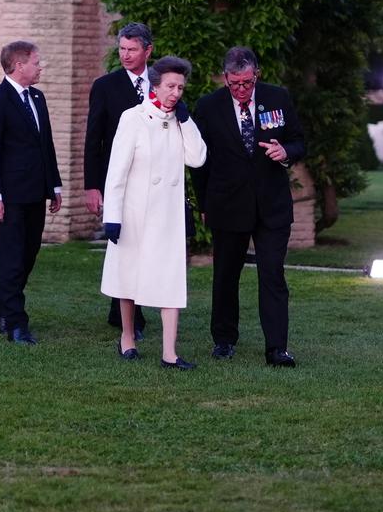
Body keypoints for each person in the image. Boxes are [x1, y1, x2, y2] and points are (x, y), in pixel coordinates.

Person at [191, 46, 305, 366]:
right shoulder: (209, 106)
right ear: (225, 78)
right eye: (235, 83)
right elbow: (200, 162)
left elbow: (299, 140)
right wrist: (204, 203)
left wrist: (287, 152)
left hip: (272, 205)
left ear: (257, 74)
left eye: (247, 82)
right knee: (226, 275)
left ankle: (276, 347)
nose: (242, 89)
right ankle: (224, 340)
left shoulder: (277, 98)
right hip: (227, 205)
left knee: (272, 274)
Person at [101, 56, 207, 368]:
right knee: (128, 277)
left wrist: (186, 122)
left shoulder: (180, 121)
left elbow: (198, 158)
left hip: (168, 217)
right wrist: (113, 216)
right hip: (135, 213)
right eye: (171, 86)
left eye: (181, 87)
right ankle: (127, 338)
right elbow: (117, 171)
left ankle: (169, 353)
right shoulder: (133, 118)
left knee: (171, 280)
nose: (176, 93)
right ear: (156, 86)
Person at [0, 40, 62, 345]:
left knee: (28, 255)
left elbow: (46, 145)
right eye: (37, 62)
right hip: (10, 196)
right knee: (12, 259)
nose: (41, 67)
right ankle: (15, 323)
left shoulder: (38, 98)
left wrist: (54, 186)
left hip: (36, 192)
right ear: (18, 65)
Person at [84, 21, 155, 336]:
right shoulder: (105, 86)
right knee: (124, 244)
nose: (125, 55)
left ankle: (128, 309)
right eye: (122, 49)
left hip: (153, 180)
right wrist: (92, 186)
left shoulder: (162, 83)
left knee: (146, 246)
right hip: (118, 180)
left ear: (147, 51)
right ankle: (128, 316)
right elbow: (93, 139)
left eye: (132, 49)